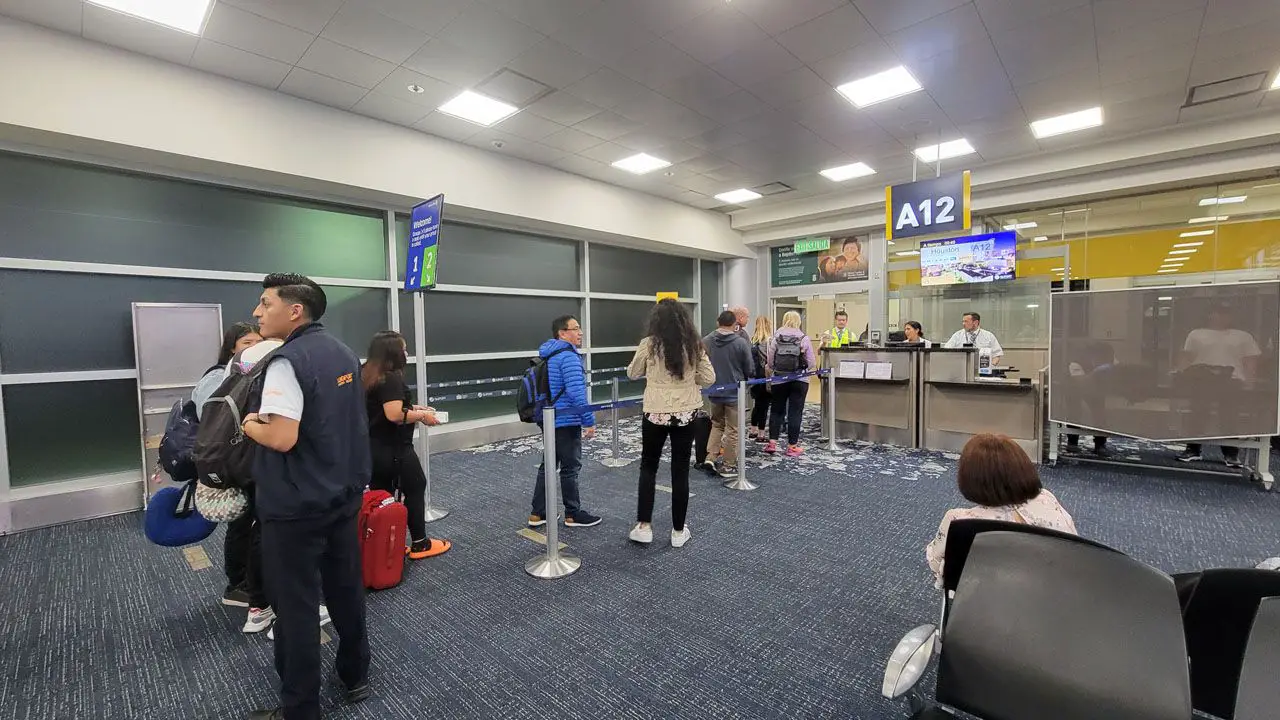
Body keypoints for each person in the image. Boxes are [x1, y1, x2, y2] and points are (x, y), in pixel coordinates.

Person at [242, 273, 371, 720]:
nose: (257, 312)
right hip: (342, 493)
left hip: (295, 507)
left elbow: (281, 437)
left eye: (265, 303)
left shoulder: (286, 361)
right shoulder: (343, 352)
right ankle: (355, 675)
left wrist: (249, 424)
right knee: (345, 589)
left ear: (295, 311)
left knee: (295, 608)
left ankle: (300, 708)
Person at [926, 434, 1077, 588]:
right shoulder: (1046, 499)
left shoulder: (959, 521)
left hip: (986, 597)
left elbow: (936, 563)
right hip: (1054, 593)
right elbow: (1074, 543)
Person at [627, 299, 715, 548]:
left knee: (648, 467)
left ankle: (644, 527)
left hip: (655, 412)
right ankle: (678, 531)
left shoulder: (649, 344)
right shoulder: (694, 345)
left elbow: (633, 373)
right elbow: (709, 378)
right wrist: (690, 380)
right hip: (685, 413)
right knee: (680, 470)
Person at [361, 330, 452, 560]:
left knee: (382, 496)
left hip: (372, 447)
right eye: (403, 349)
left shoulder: (367, 374)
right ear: (393, 352)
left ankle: (387, 545)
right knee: (416, 486)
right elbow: (393, 414)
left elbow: (384, 407)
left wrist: (414, 408)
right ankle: (420, 543)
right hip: (395, 449)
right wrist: (422, 417)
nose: (406, 353)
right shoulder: (390, 378)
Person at [194, 322, 263, 610]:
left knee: (250, 521)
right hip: (231, 461)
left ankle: (251, 580)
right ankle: (238, 585)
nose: (254, 348)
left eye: (258, 342)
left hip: (248, 458)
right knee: (241, 523)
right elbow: (212, 419)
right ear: (232, 347)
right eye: (247, 343)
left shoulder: (250, 374)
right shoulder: (219, 377)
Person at [528, 315, 601, 528]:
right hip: (566, 419)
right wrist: (588, 420)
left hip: (549, 417)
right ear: (562, 333)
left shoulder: (549, 354)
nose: (580, 332)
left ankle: (538, 513)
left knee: (549, 465)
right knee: (570, 467)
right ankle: (573, 514)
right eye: (575, 328)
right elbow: (576, 392)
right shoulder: (568, 357)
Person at [702, 310, 754, 478]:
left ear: (718, 322)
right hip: (734, 392)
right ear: (734, 324)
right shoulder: (740, 342)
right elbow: (749, 368)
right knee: (733, 429)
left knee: (717, 424)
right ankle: (728, 465)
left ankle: (710, 457)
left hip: (714, 390)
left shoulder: (706, 341)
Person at [766, 311, 817, 457]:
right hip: (799, 380)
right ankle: (792, 446)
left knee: (776, 410)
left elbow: (770, 361)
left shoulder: (776, 338)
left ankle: (772, 443)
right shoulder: (804, 338)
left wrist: (776, 369)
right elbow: (812, 363)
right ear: (798, 321)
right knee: (795, 412)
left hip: (779, 379)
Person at [748, 316, 774, 443]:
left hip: (754, 378)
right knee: (764, 406)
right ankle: (761, 433)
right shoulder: (770, 342)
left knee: (757, 405)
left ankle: (753, 430)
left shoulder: (752, 341)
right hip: (765, 377)